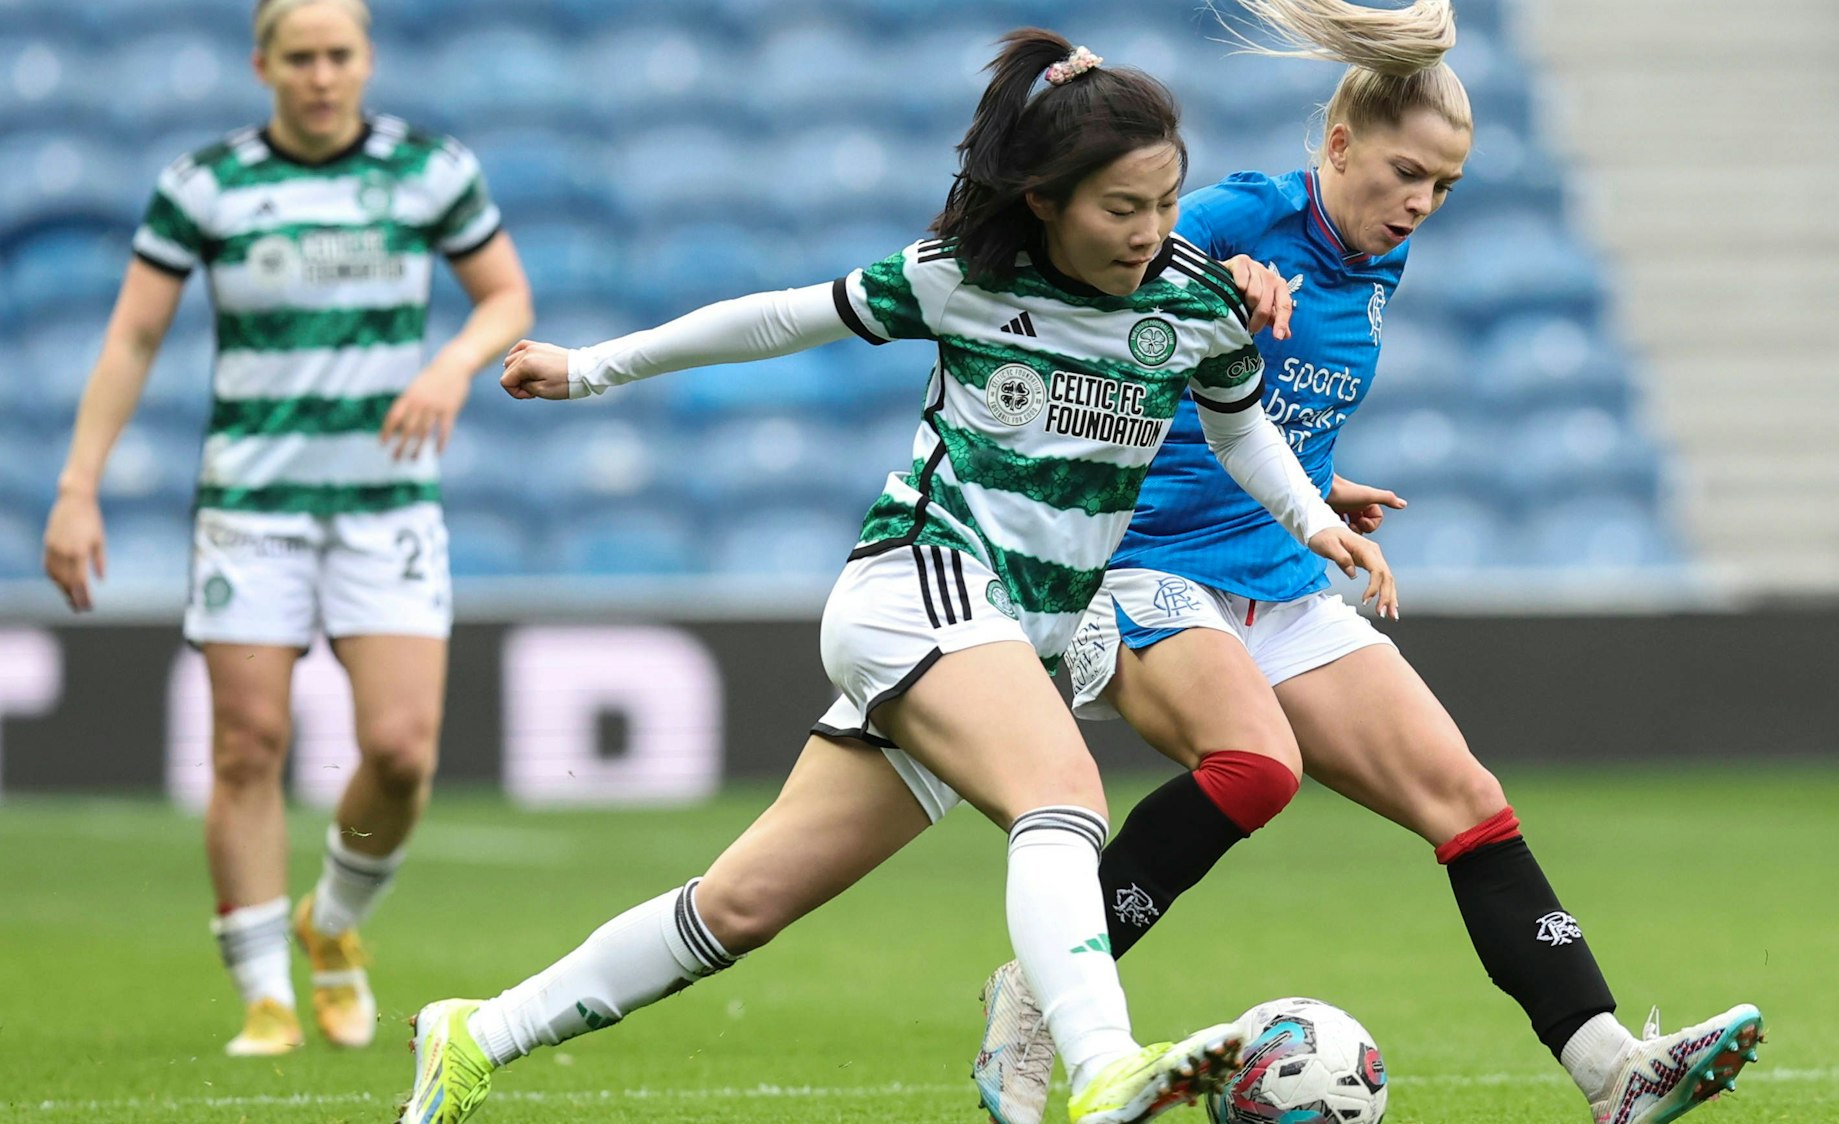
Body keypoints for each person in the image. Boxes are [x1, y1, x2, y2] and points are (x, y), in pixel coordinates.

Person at [393, 29, 1394, 1124]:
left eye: (1165, 201)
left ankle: (477, 1032)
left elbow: (1240, 427)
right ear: (1045, 200)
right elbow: (777, 316)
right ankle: (1105, 1062)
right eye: (1121, 209)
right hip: (917, 582)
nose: (1150, 232)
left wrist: (1310, 517)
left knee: (741, 904)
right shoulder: (963, 277)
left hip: (1013, 631)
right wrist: (589, 369)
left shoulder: (1194, 300)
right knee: (1062, 794)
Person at [970, 4, 1763, 1124]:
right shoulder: (1249, 211)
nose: (1419, 205)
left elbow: (1246, 410)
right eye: (1404, 174)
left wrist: (1321, 490)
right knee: (1255, 769)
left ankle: (1611, 1071)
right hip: (1140, 559)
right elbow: (1103, 282)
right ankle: (1042, 992)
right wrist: (1217, 270)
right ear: (1337, 147)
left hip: (1271, 567)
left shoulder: (1373, 270)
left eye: (1443, 187)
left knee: (1469, 801)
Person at [40, 0, 532, 1058]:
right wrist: (78, 484)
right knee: (246, 743)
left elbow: (504, 297)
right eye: (299, 57)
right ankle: (264, 991)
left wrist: (448, 365)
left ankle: (335, 921)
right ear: (262, 63)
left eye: (338, 55)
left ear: (367, 60)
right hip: (251, 507)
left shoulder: (429, 171)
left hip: (385, 503)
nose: (320, 75)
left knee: (401, 752)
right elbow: (132, 335)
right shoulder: (205, 184)